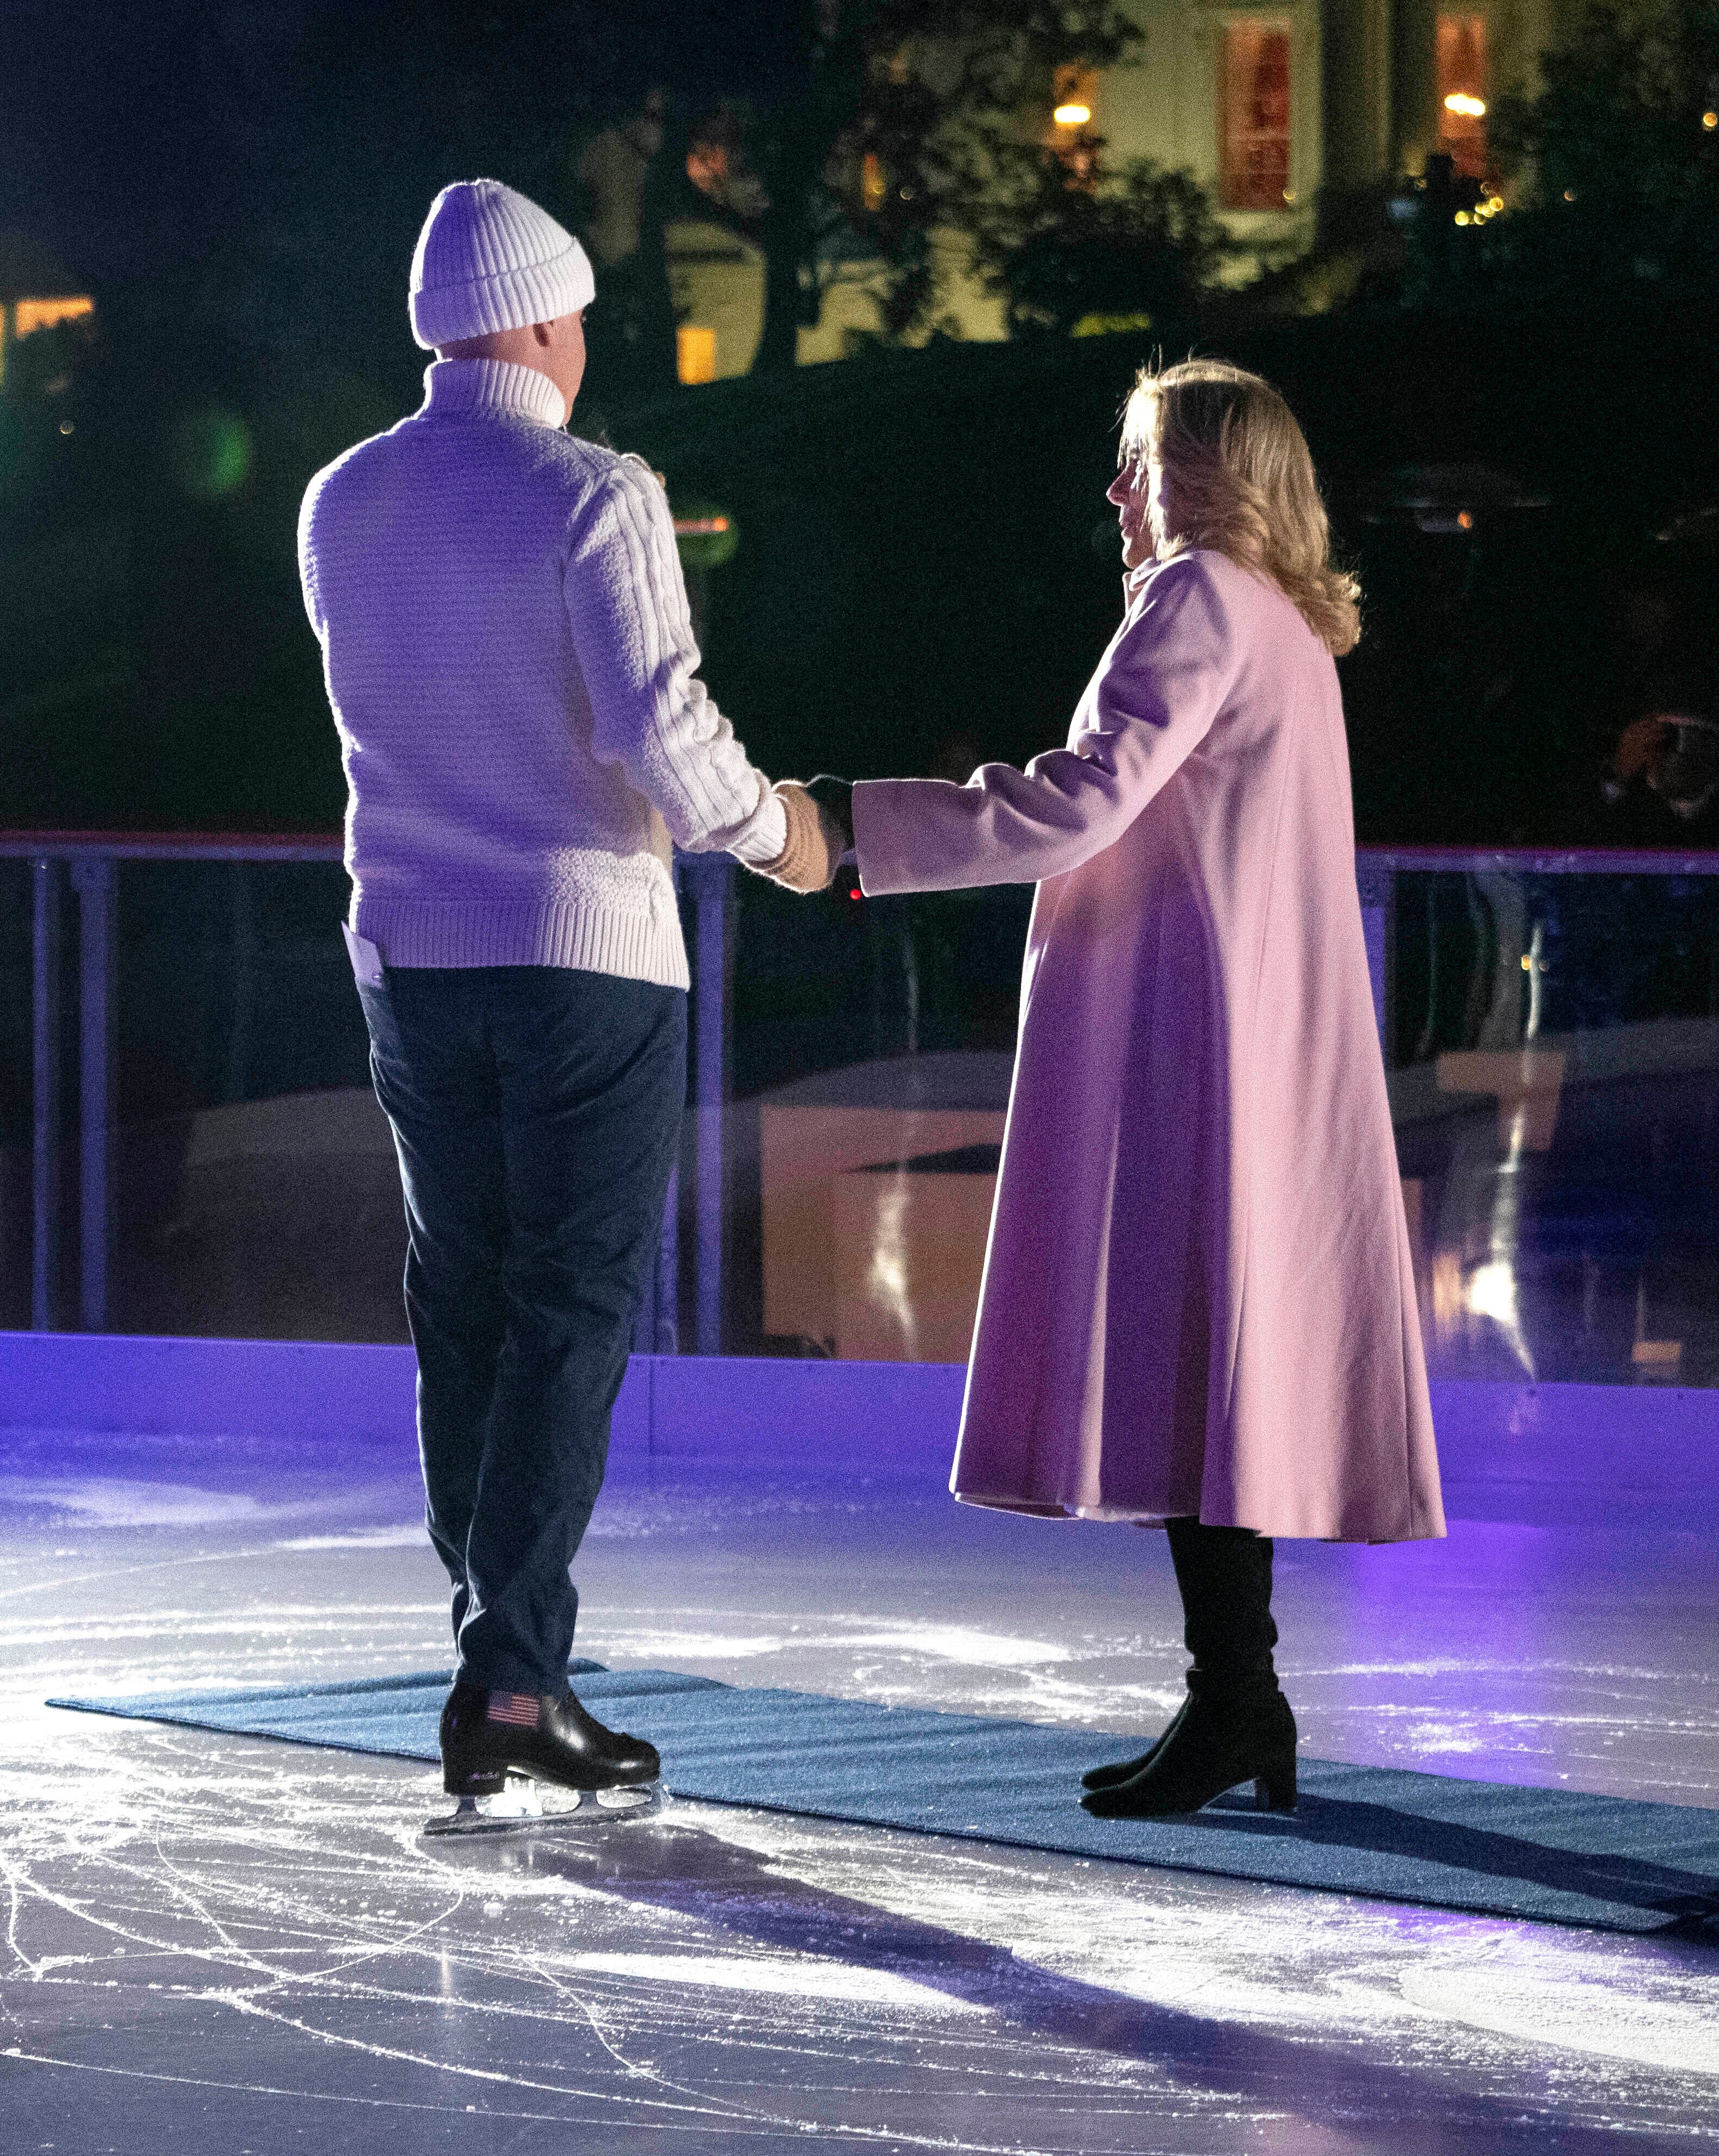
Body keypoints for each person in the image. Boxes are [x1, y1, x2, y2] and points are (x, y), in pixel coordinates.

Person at [299, 178, 834, 1822]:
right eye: (582, 316)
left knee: (462, 1301)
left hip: (408, 947)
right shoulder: (597, 495)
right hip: (583, 949)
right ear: (541, 320)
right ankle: (515, 1674)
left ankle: (505, 1651)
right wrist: (782, 835)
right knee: (573, 1309)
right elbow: (660, 735)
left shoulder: (338, 499)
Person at [840, 360, 1441, 1818]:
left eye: (1141, 462)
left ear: (1214, 478)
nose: (1117, 492)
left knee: (1194, 1350)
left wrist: (844, 833)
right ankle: (1239, 1694)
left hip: (1192, 1041)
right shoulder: (1286, 628)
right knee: (1217, 1361)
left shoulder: (1197, 598)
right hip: (1252, 1033)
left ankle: (1238, 1695)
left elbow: (1079, 797)